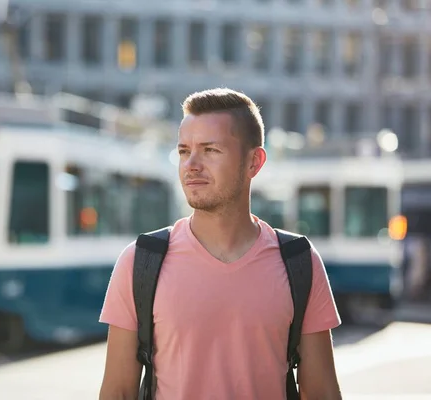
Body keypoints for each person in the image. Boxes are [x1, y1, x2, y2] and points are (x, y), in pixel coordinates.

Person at [98, 88, 342, 399]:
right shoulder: (140, 262)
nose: (191, 165)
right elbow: (117, 392)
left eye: (210, 150)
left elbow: (321, 392)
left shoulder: (299, 261)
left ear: (254, 162)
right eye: (184, 151)